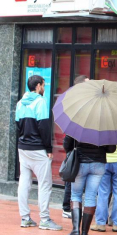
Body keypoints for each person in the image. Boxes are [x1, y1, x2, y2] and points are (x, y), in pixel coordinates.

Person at [15, 75, 62, 230]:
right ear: (38, 86)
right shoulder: (40, 102)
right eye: (43, 85)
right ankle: (45, 219)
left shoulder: (20, 103)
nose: (44, 88)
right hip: (38, 149)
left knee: (24, 182)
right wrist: (48, 148)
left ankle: (25, 218)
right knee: (45, 184)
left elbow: (18, 126)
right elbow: (43, 127)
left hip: (23, 148)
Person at [64, 135, 116, 235]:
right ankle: (84, 232)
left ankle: (75, 230)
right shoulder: (105, 127)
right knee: (91, 197)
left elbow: (67, 144)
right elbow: (112, 149)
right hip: (98, 163)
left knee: (75, 195)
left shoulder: (78, 123)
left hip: (79, 162)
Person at [62, 75, 90, 219]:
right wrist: (69, 150)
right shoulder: (75, 103)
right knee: (71, 178)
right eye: (87, 83)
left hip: (82, 149)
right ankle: (67, 207)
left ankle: (71, 209)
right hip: (75, 147)